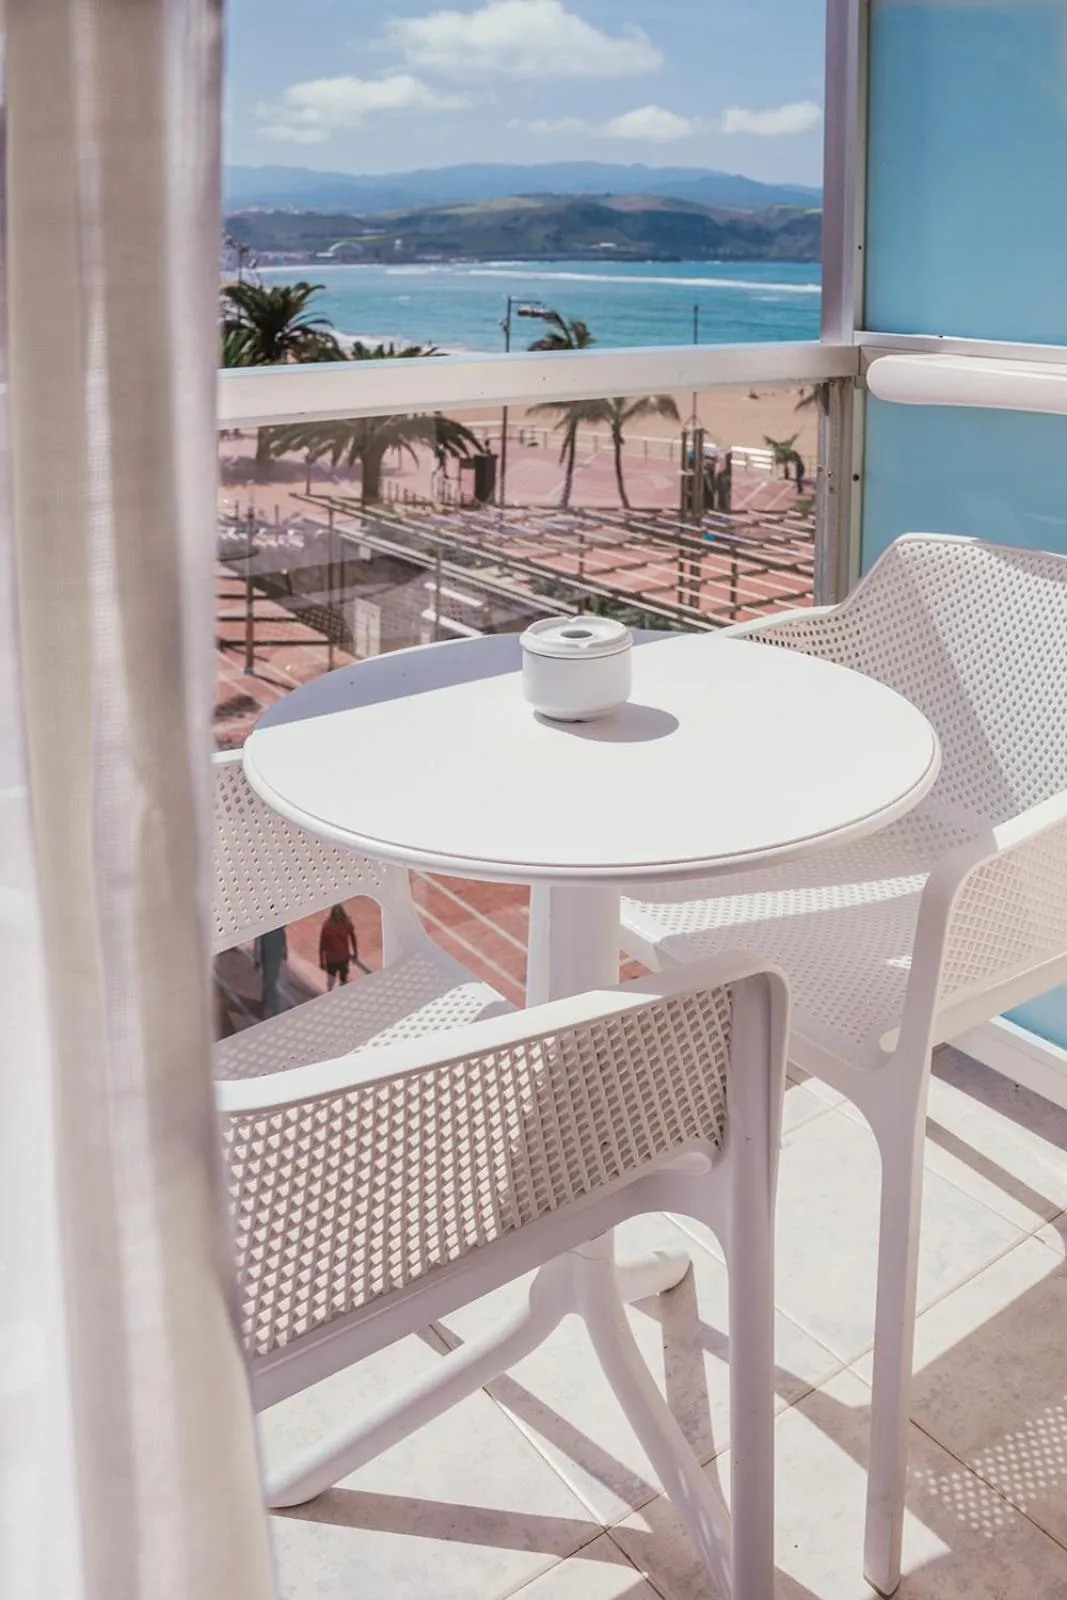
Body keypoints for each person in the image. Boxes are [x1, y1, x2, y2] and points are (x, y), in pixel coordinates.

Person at [319, 903, 358, 990]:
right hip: (333, 960)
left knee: (341, 980)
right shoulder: (327, 927)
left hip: (341, 959)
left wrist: (355, 953)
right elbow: (322, 945)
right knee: (332, 981)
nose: (337, 916)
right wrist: (321, 960)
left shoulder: (344, 924)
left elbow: (353, 937)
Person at [253, 925, 287, 1018]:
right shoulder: (278, 926)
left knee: (269, 982)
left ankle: (269, 1007)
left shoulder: (267, 926)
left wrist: (257, 959)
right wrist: (285, 953)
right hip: (272, 957)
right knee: (270, 982)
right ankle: (271, 1008)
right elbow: (283, 938)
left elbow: (258, 943)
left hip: (270, 958)